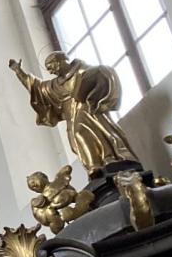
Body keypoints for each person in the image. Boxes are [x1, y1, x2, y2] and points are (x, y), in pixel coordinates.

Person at [9, 51, 139, 175]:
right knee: (75, 142)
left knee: (82, 132)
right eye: (48, 69)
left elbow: (102, 75)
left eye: (51, 66)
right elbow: (35, 87)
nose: (50, 71)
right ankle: (95, 167)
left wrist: (92, 91)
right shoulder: (54, 85)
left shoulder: (82, 70)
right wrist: (19, 72)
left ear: (60, 61)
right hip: (70, 115)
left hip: (86, 108)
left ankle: (107, 158)